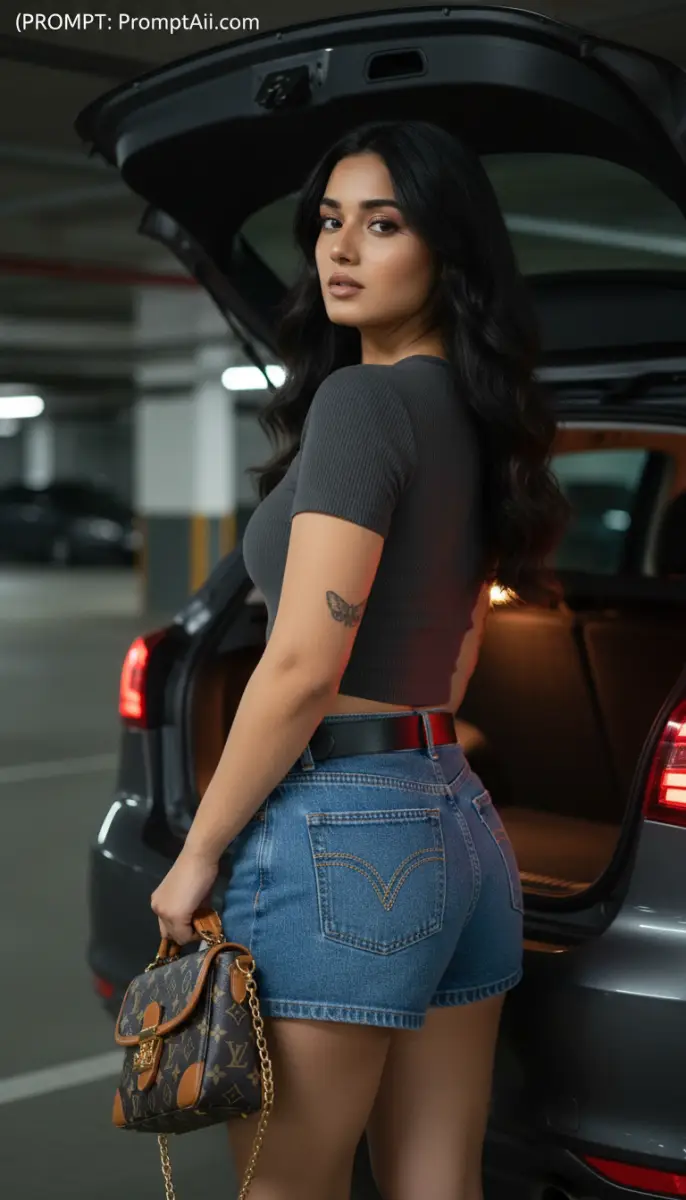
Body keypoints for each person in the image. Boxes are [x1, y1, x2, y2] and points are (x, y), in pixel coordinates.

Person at [151, 119, 569, 1200]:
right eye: (329, 222)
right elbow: (459, 655)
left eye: (382, 225)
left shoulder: (363, 401)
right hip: (459, 822)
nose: (339, 249)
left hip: (346, 836)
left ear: (446, 248)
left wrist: (198, 852)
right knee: (438, 1182)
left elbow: (301, 663)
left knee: (286, 1186)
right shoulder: (477, 420)